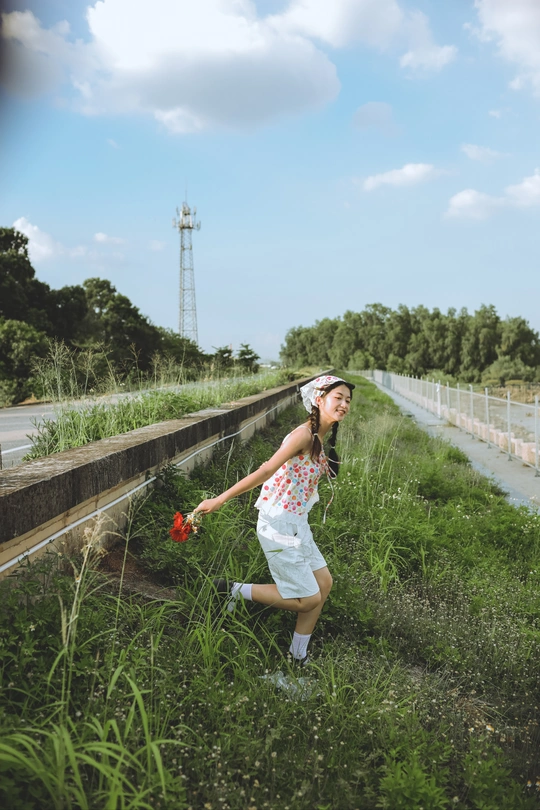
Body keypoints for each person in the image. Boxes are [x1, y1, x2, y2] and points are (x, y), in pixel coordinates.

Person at [194, 374, 355, 666]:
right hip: (278, 524)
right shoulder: (304, 435)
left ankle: (297, 657)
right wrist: (218, 500)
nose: (344, 404)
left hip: (297, 523)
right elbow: (266, 470)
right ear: (319, 400)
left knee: (324, 585)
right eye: (338, 398)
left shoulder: (319, 438)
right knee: (308, 599)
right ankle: (231, 591)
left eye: (347, 400)